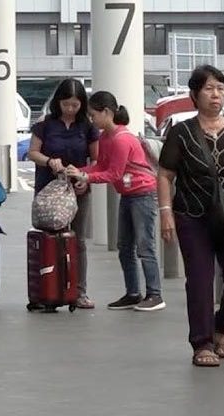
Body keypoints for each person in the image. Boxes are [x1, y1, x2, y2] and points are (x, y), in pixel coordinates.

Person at [157, 65, 224, 367]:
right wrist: (166, 213)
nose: (216, 94)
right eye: (208, 88)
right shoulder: (181, 132)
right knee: (201, 279)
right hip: (193, 215)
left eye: (220, 88)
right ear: (194, 94)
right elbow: (165, 174)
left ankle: (220, 328)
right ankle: (201, 342)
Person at [65, 91, 164, 312]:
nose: (91, 119)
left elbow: (114, 173)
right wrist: (79, 171)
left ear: (107, 112)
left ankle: (155, 294)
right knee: (125, 246)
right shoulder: (106, 137)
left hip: (142, 194)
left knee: (145, 245)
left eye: (93, 115)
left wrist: (85, 176)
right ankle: (133, 293)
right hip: (129, 194)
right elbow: (101, 166)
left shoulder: (121, 139)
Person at [28, 78, 99, 309]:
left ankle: (78, 291)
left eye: (75, 105)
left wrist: (84, 178)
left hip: (78, 189)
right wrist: (50, 161)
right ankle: (47, 290)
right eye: (66, 104)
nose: (70, 109)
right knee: (50, 239)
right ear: (58, 102)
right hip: (50, 190)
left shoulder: (87, 127)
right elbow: (33, 153)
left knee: (77, 240)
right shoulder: (45, 124)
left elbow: (96, 160)